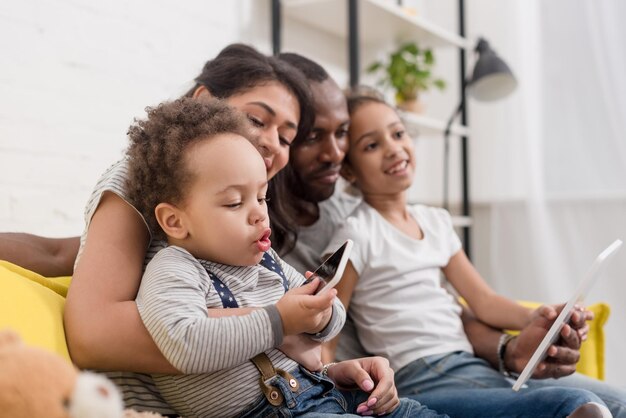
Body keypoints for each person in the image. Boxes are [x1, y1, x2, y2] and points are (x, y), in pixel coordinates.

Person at [0, 44, 413, 416]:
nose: (269, 143)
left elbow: (69, 254)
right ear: (205, 103)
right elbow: (94, 334)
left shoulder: (240, 225)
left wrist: (326, 366)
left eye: (287, 137)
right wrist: (276, 326)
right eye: (256, 119)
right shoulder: (144, 186)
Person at [269, 54, 626, 417]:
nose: (393, 148)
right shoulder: (356, 233)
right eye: (371, 146)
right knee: (577, 407)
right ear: (350, 171)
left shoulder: (436, 222)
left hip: (472, 364)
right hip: (422, 376)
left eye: (398, 133)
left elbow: (483, 301)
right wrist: (329, 378)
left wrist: (548, 319)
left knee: (617, 403)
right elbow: (328, 326)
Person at [120, 96, 446, 418]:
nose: (260, 215)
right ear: (175, 221)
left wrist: (321, 315)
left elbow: (331, 320)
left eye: (262, 197)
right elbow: (185, 344)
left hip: (320, 391)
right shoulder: (174, 269)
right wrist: (281, 321)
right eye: (235, 203)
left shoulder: (266, 260)